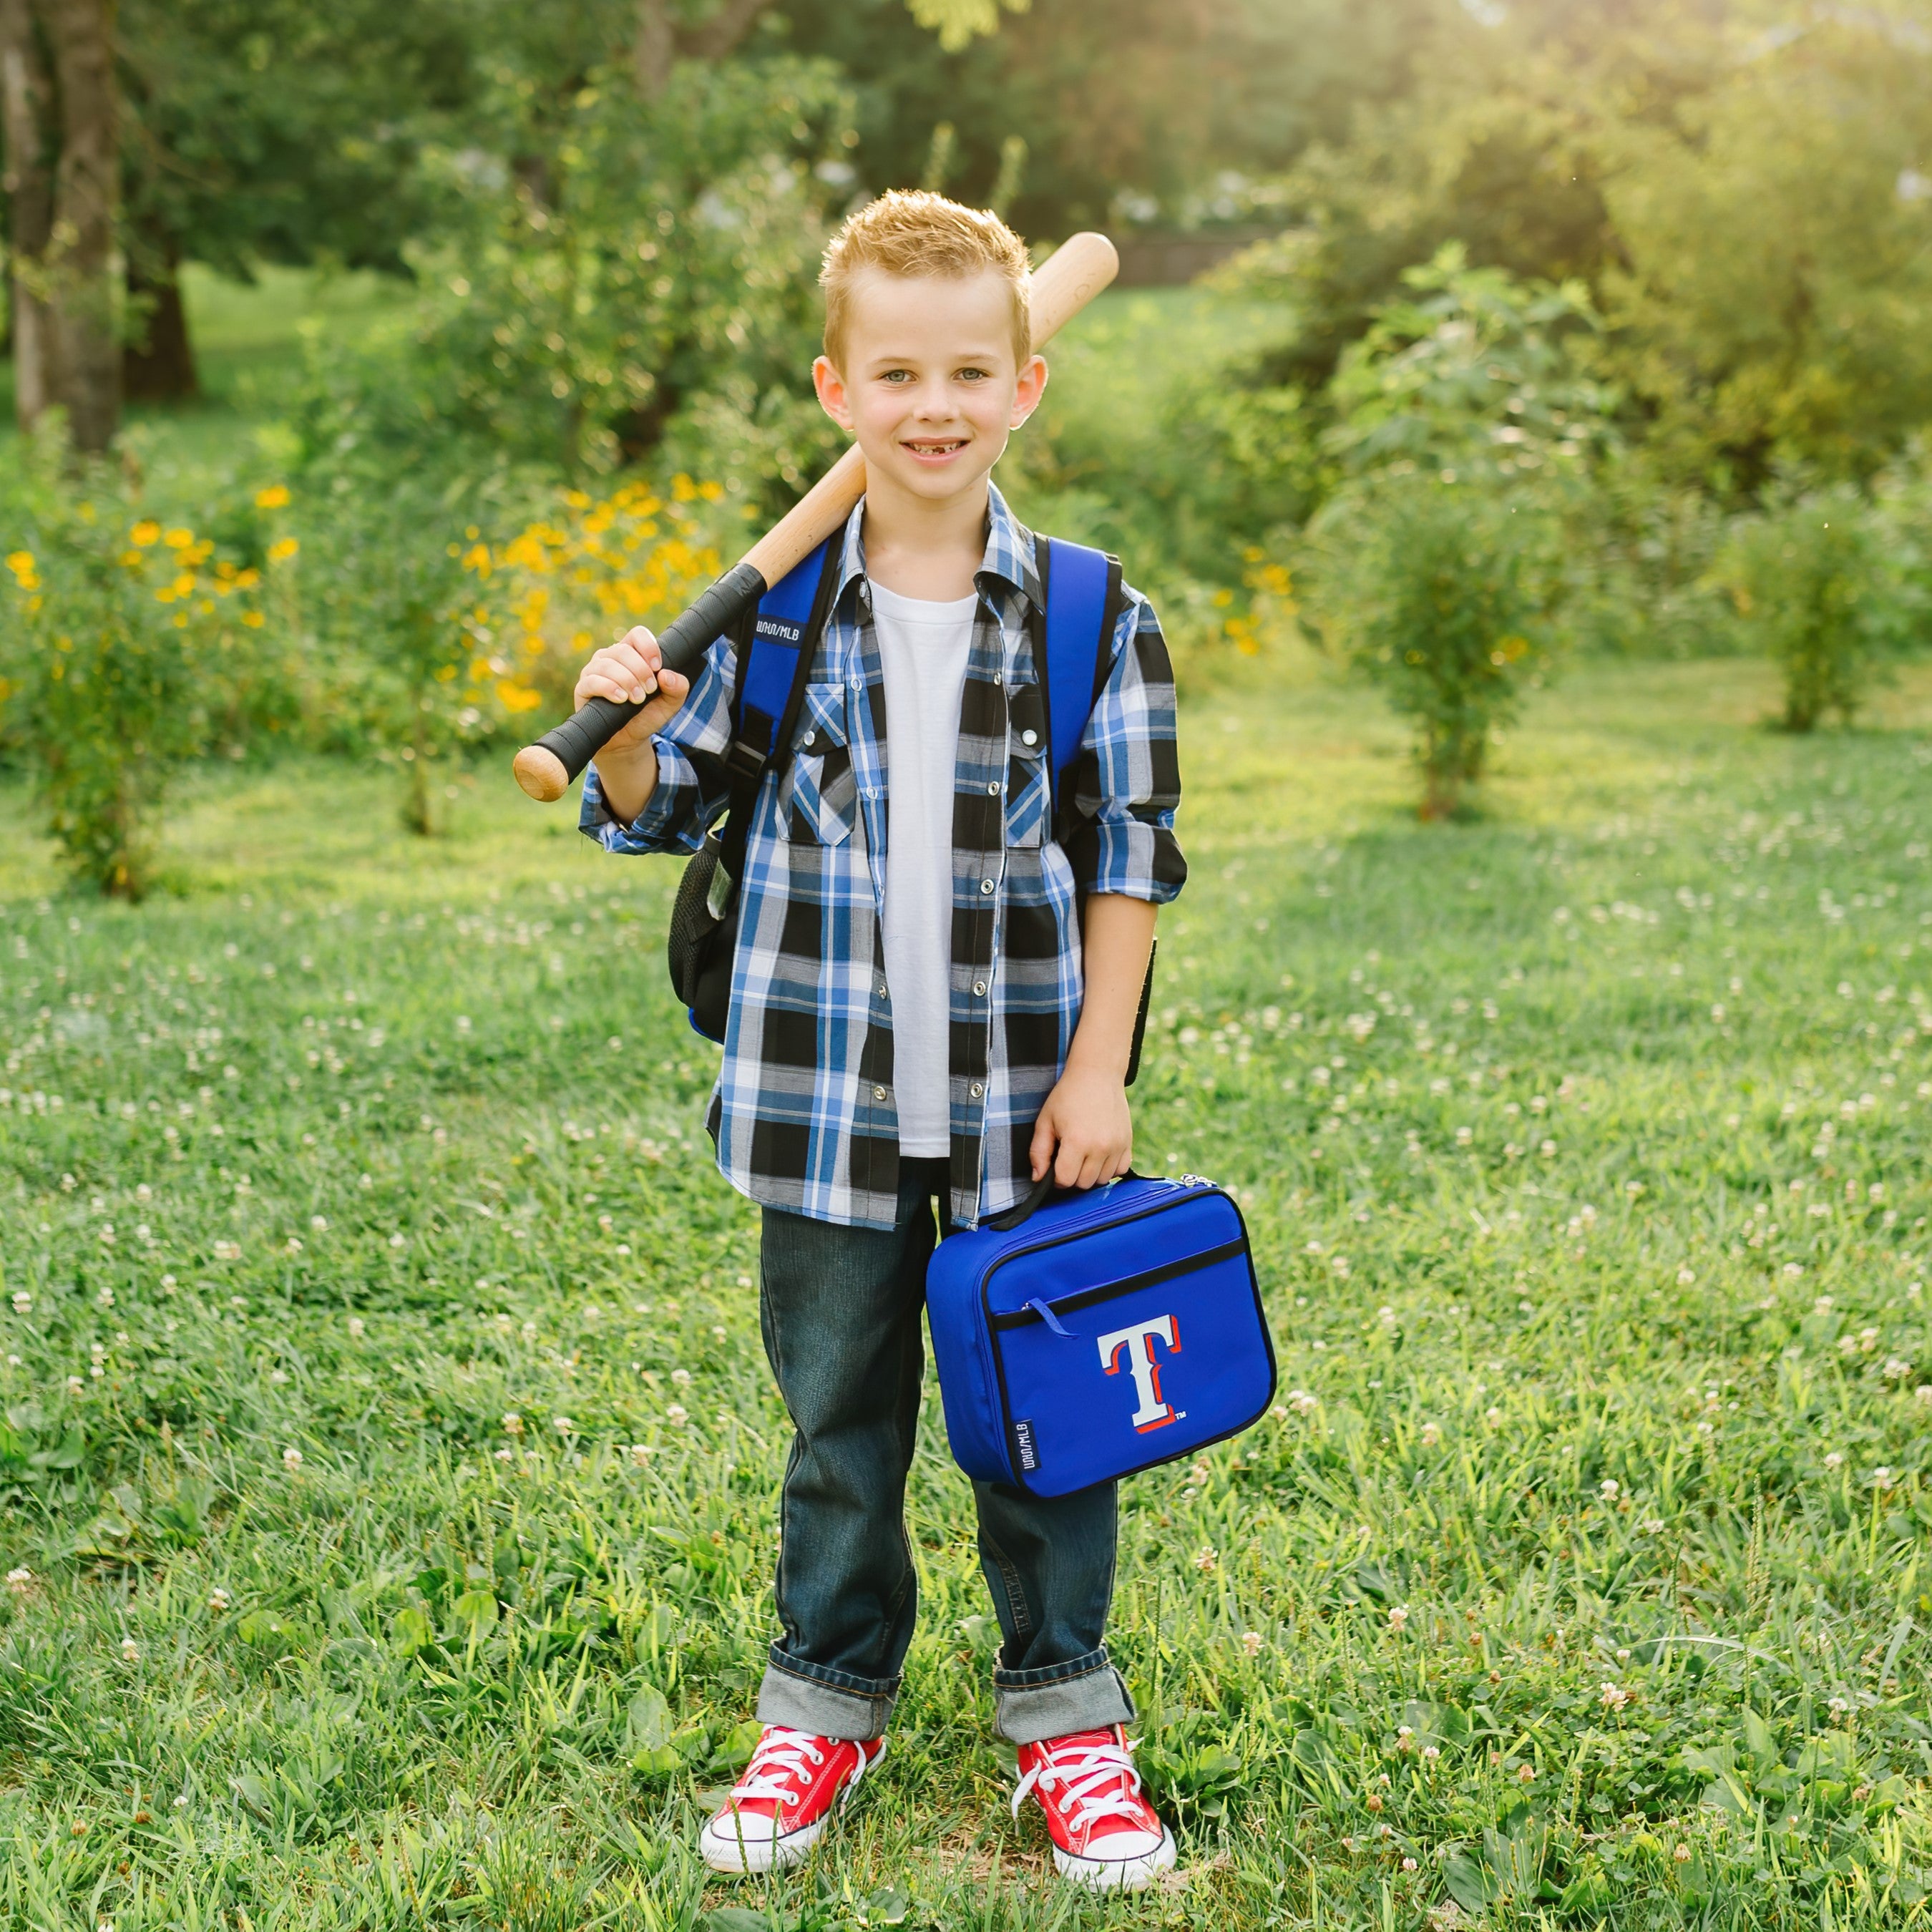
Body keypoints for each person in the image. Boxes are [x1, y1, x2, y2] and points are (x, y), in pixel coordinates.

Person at [575, 190, 1186, 1890]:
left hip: (1027, 1114)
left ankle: (1068, 1724)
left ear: (1025, 388)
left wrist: (1099, 1071)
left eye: (970, 372)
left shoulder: (1089, 612)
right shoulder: (775, 618)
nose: (936, 405)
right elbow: (653, 807)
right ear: (836, 391)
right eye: (898, 373)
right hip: (819, 1105)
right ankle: (823, 1712)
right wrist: (628, 728)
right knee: (839, 1429)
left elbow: (1131, 859)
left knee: (1049, 1432)